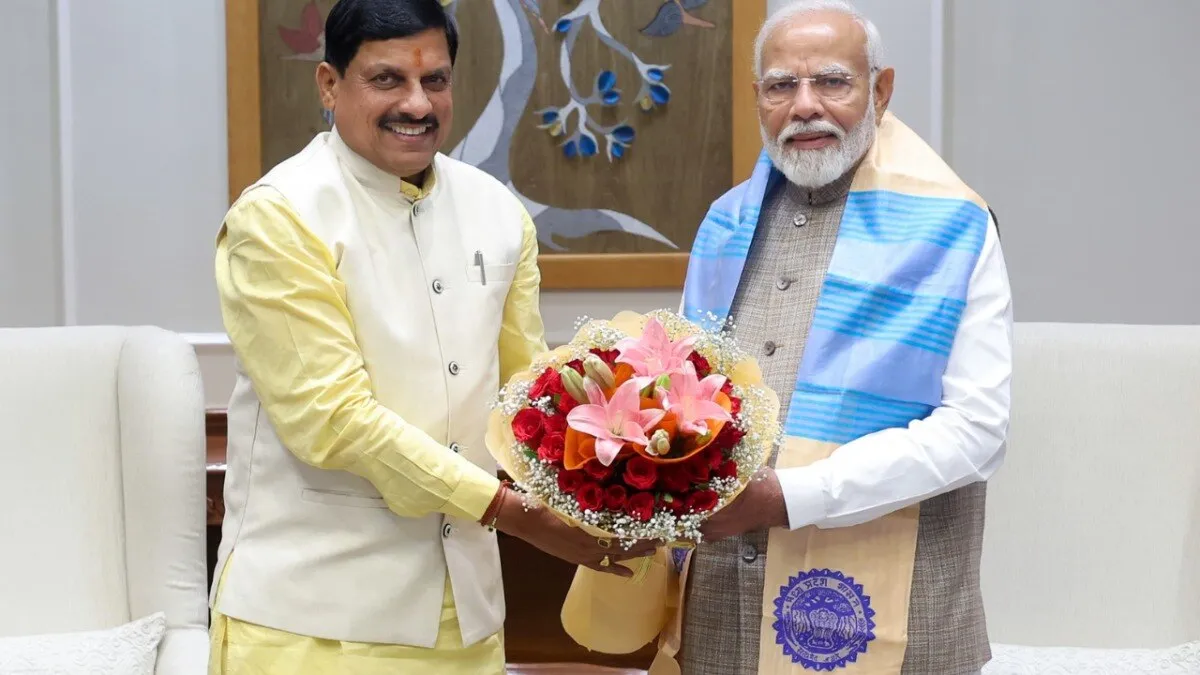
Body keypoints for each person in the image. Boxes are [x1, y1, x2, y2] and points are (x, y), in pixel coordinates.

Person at [207, 1, 653, 672]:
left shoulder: (497, 211)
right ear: (329, 85)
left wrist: (634, 477)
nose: (417, 104)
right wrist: (515, 513)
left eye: (435, 80)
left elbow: (525, 396)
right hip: (312, 623)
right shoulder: (279, 217)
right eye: (387, 79)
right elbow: (335, 422)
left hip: (468, 616)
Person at [677, 1, 1013, 674]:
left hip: (896, 615)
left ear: (880, 90)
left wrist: (790, 498)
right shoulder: (724, 224)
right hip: (720, 613)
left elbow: (977, 431)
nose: (805, 106)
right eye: (781, 86)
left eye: (832, 81)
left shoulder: (954, 226)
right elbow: (677, 396)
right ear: (758, 98)